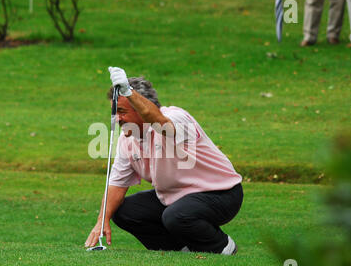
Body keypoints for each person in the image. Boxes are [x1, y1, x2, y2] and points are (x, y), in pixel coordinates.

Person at [84, 67, 243, 255]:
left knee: (176, 216)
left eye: (121, 111)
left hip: (221, 194)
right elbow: (116, 185)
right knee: (123, 211)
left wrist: (129, 92)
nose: (117, 118)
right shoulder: (127, 140)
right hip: (175, 198)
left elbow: (160, 122)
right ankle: (180, 252)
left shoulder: (177, 118)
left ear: (141, 108)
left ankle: (223, 248)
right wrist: (101, 222)